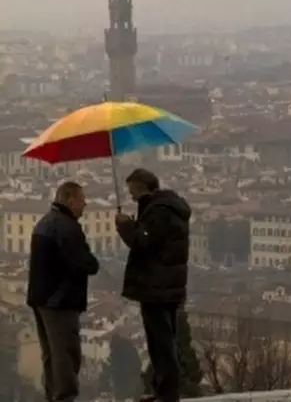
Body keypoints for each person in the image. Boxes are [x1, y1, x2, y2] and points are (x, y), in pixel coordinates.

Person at [115, 168, 192, 402]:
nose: (131, 196)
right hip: (168, 285)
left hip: (157, 287)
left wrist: (125, 226)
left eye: (132, 191)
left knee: (161, 342)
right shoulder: (168, 207)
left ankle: (167, 393)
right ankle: (162, 390)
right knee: (162, 339)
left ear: (141, 188)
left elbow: (144, 242)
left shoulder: (158, 211)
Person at [27, 181, 99, 402]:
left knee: (51, 353)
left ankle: (53, 396)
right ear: (70, 200)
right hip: (60, 301)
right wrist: (91, 259)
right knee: (66, 353)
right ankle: (64, 397)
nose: (85, 204)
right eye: (82, 199)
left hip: (40, 299)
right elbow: (86, 264)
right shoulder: (67, 228)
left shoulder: (44, 223)